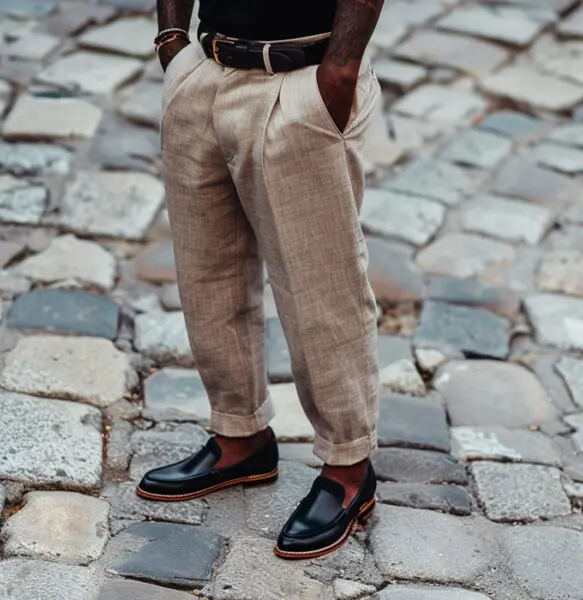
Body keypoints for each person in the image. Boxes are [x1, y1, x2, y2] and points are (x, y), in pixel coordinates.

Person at [137, 0, 384, 559]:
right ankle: (239, 435)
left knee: (322, 285)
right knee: (207, 271)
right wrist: (173, 42)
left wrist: (340, 68)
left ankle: (348, 466)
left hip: (303, 80)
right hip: (207, 71)